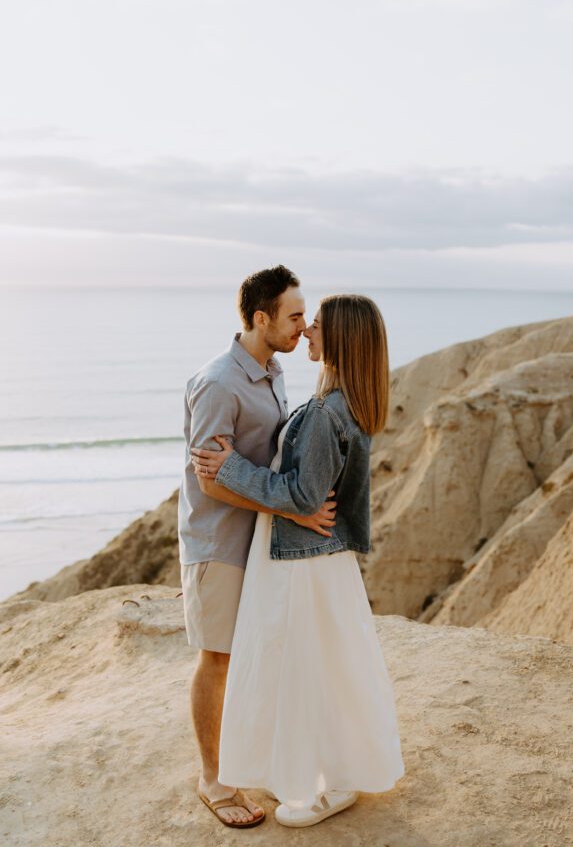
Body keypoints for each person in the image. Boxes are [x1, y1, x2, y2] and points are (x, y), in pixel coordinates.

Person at [192, 293, 405, 828]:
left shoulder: (324, 413)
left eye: (315, 325)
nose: (307, 332)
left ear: (339, 340)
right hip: (319, 557)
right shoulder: (346, 402)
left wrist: (228, 469)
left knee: (299, 669)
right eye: (303, 320)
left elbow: (304, 496)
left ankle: (317, 784)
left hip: (300, 561)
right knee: (327, 667)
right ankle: (334, 776)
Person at [178, 265, 338, 829]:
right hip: (218, 542)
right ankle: (213, 780)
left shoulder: (271, 370)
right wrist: (293, 505)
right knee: (217, 658)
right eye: (295, 316)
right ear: (262, 317)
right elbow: (211, 479)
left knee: (252, 656)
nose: (303, 326)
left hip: (261, 542)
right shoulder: (219, 382)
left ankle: (248, 761)